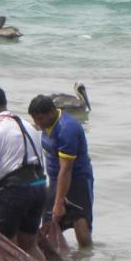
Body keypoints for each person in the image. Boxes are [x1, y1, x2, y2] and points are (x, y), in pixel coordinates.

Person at [0, 85, 47, 261]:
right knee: (29, 244)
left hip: (15, 191)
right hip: (39, 188)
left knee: (3, 245)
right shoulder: (28, 125)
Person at [28, 94, 94, 249]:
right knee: (49, 225)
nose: (38, 123)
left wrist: (59, 202)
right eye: (35, 119)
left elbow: (66, 169)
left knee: (80, 222)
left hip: (78, 181)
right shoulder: (46, 123)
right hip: (55, 180)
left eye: (40, 119)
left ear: (52, 112)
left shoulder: (67, 129)